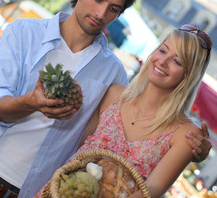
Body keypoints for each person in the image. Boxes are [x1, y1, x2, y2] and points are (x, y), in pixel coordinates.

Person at [0, 0, 210, 197]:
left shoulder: (113, 74)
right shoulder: (23, 33)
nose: (102, 14)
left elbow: (109, 136)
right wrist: (31, 102)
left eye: (114, 9)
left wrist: (194, 149)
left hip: (29, 190)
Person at [35, 24, 213, 198]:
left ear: (188, 76)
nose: (163, 61)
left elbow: (151, 190)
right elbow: (77, 152)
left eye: (177, 61)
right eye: (163, 50)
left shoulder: (185, 133)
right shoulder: (114, 95)